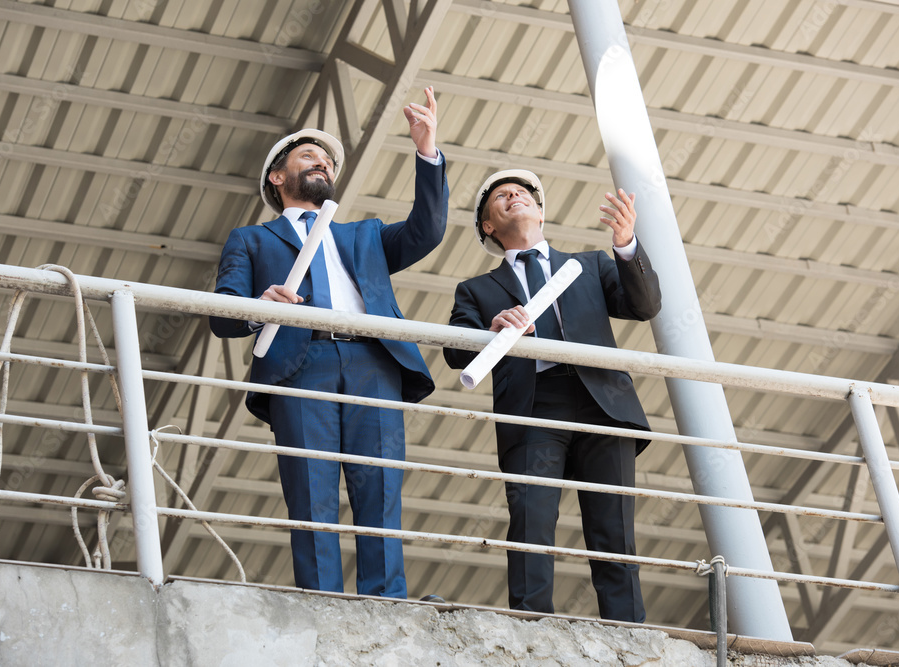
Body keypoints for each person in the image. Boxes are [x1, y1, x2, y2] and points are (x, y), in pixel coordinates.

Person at [209, 86, 448, 599]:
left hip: (374, 361)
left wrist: (427, 152)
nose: (322, 163)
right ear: (278, 177)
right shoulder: (251, 239)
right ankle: (322, 603)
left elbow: (427, 231)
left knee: (380, 490)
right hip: (302, 363)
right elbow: (222, 314)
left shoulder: (364, 235)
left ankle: (386, 602)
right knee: (310, 490)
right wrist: (258, 307)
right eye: (308, 156)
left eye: (327, 161)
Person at [442, 169, 660, 621]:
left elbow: (644, 306)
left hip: (604, 405)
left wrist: (625, 245)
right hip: (535, 403)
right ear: (488, 226)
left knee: (613, 528)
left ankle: (628, 634)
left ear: (540, 213)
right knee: (532, 520)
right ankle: (530, 625)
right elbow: (453, 350)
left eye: (522, 193)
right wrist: (491, 329)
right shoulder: (477, 290)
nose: (513, 196)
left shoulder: (593, 264)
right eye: (501, 196)